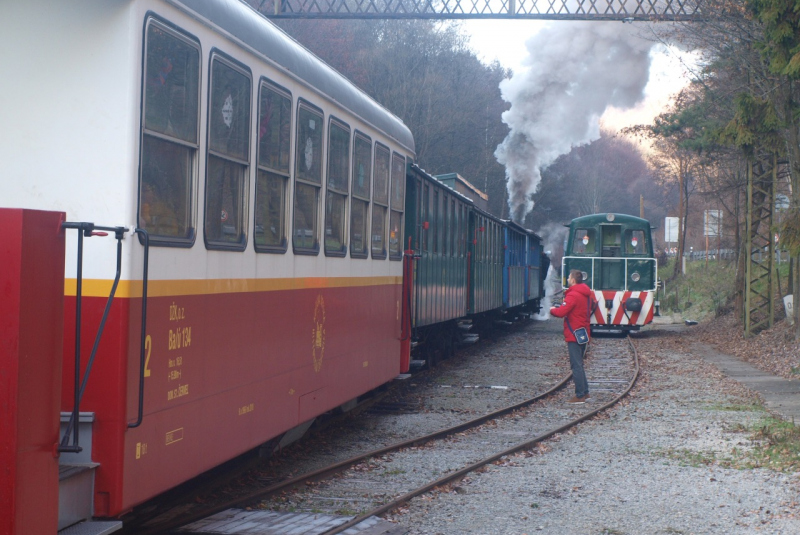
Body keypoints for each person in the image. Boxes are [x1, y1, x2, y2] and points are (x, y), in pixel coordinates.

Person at [550, 269, 596, 404]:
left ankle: (580, 395)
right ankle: (585, 392)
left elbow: (561, 312)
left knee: (576, 365)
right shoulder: (587, 294)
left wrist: (552, 310)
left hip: (574, 333)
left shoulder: (573, 295)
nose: (568, 279)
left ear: (573, 280)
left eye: (569, 277)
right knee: (579, 364)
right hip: (583, 332)